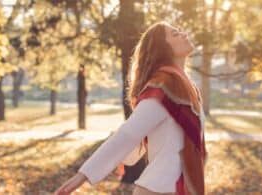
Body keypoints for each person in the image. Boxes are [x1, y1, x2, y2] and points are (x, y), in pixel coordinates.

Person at [54, 21, 207, 195]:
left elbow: (136, 150)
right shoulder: (164, 86)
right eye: (175, 34)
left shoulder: (188, 88)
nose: (184, 34)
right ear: (162, 48)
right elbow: (128, 134)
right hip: (161, 190)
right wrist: (82, 176)